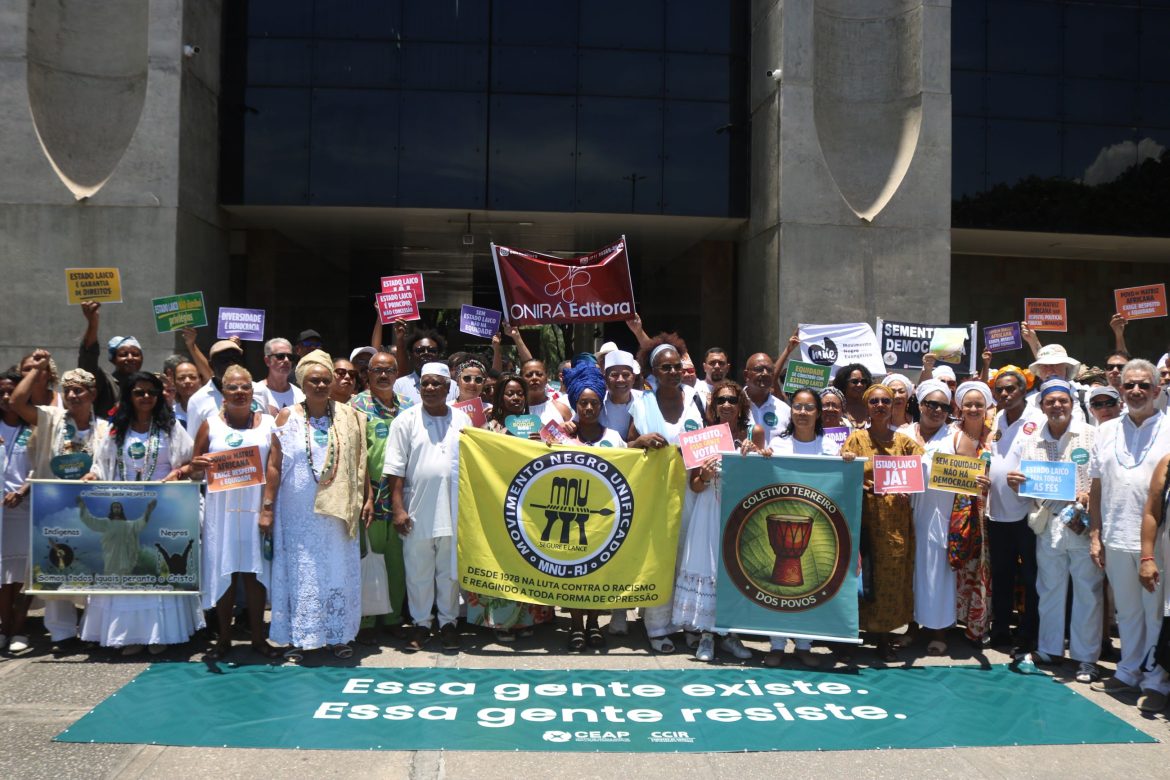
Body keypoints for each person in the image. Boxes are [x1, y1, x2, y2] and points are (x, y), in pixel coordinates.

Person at [82, 371, 202, 656]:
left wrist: (180, 472)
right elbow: (101, 464)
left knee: (155, 569)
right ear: (129, 396)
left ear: (159, 395)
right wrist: (92, 475)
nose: (146, 397)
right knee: (126, 569)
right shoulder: (117, 430)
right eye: (139, 392)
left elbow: (191, 463)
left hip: (161, 511)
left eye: (151, 392)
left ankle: (160, 633)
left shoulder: (171, 428)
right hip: (123, 512)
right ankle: (129, 635)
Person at [265, 349, 369, 662]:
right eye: (314, 381)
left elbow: (359, 462)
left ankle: (337, 635)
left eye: (326, 379)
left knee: (337, 569)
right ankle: (301, 637)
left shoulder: (349, 416)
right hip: (297, 513)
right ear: (303, 383)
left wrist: (366, 500)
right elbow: (274, 464)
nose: (321, 385)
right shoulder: (288, 416)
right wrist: (268, 504)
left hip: (338, 512)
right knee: (301, 571)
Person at [10, 358, 111, 648]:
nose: (72, 396)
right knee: (56, 565)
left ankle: (92, 630)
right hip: (54, 509)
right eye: (68, 391)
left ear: (92, 394)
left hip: (92, 508)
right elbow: (18, 401)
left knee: (92, 566)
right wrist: (36, 371)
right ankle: (62, 633)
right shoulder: (52, 419)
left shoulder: (105, 427)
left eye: (79, 390)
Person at [1006, 378, 1102, 683]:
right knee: (1049, 589)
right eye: (1050, 401)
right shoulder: (1032, 440)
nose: (1057, 406)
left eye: (1062, 400)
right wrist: (1016, 481)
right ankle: (1049, 649)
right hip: (1048, 525)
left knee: (1087, 592)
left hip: (1082, 524)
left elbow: (1100, 478)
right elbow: (1027, 482)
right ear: (1042, 406)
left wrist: (1088, 495)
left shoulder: (1090, 435)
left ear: (1072, 403)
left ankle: (1086, 658)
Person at [1089, 359, 1170, 711]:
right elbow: (1096, 487)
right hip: (1116, 533)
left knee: (1156, 611)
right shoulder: (1106, 431)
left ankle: (1157, 679)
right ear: (1120, 390)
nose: (1136, 390)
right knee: (1128, 611)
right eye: (1129, 385)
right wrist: (1096, 534)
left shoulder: (1169, 429)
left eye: (1143, 385)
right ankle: (1128, 670)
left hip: (1160, 541)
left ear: (1156, 390)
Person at [188, 365, 280, 660]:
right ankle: (224, 639)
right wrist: (195, 469)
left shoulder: (268, 424)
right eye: (232, 388)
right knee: (225, 572)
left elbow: (273, 468)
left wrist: (267, 509)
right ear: (223, 394)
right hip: (222, 512)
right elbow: (193, 469)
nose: (239, 393)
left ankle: (258, 638)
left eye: (245, 388)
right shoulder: (210, 425)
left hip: (255, 509)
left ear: (252, 392)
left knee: (254, 574)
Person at [673, 379, 762, 662]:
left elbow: (765, 475)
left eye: (732, 401)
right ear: (713, 405)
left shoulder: (754, 432)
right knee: (709, 569)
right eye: (720, 400)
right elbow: (695, 486)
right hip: (709, 509)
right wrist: (706, 476)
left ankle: (730, 634)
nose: (726, 405)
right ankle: (707, 636)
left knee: (734, 571)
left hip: (741, 511)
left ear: (741, 405)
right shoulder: (704, 436)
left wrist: (757, 455)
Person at [384, 362, 470, 652]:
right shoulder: (405, 420)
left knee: (449, 571)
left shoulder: (462, 420)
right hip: (416, 508)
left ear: (448, 388)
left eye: (437, 383)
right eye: (425, 383)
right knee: (418, 570)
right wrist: (398, 509)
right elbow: (394, 469)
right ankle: (422, 624)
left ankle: (448, 624)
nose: (430, 388)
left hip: (454, 508)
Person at [627, 337, 705, 653]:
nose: (673, 372)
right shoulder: (641, 404)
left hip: (692, 490)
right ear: (654, 372)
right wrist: (640, 441)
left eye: (677, 366)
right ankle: (658, 625)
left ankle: (688, 622)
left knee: (689, 556)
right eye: (666, 367)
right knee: (660, 558)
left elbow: (712, 439)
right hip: (656, 493)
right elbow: (627, 446)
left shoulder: (698, 400)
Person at [762, 386, 845, 668]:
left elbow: (841, 488)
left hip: (816, 526)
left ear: (819, 413)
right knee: (780, 590)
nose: (803, 413)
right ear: (791, 411)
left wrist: (847, 463)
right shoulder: (778, 444)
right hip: (783, 517)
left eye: (809, 408)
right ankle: (775, 644)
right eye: (797, 407)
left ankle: (805, 643)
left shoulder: (831, 447)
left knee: (810, 584)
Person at [841, 384, 924, 660]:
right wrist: (850, 465)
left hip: (893, 520)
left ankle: (885, 636)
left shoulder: (905, 442)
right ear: (867, 406)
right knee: (861, 576)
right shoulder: (854, 439)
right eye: (874, 401)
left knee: (890, 576)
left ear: (892, 406)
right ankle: (855, 633)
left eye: (885, 401)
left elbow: (921, 471)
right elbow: (842, 473)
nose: (879, 405)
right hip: (862, 517)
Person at [349, 351, 408, 639]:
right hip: (370, 494)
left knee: (397, 560)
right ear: (367, 375)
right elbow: (357, 454)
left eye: (389, 370)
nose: (383, 375)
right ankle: (367, 621)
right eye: (377, 370)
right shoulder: (354, 406)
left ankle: (393, 617)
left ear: (397, 373)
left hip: (401, 496)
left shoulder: (409, 406)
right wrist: (366, 495)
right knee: (370, 556)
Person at [986, 365, 1044, 651]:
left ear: (1024, 390)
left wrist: (1027, 480)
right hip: (997, 512)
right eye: (1000, 389)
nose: (1005, 393)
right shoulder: (997, 418)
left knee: (1032, 577)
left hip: (1027, 513)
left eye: (1011, 388)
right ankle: (999, 631)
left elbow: (1048, 465)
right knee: (1002, 574)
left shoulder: (1039, 419)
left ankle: (1028, 632)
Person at [907, 380, 960, 654]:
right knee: (911, 572)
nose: (937, 410)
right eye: (931, 404)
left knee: (936, 574)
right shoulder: (903, 433)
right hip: (907, 513)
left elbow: (970, 473)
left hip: (939, 512)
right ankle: (911, 627)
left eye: (943, 406)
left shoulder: (954, 437)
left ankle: (937, 630)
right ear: (920, 404)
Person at [0, 370, 32, 652]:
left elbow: (39, 468)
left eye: (12, 391)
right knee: (2, 576)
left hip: (25, 509)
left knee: (22, 574)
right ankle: (4, 627)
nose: (7, 397)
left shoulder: (32, 429)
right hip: (0, 514)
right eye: (2, 392)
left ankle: (19, 629)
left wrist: (22, 491)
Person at [77, 301, 144, 418]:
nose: (130, 358)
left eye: (135, 354)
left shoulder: (147, 385)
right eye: (124, 354)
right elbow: (88, 359)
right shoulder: (106, 383)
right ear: (113, 359)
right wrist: (93, 323)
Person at [185, 340, 248, 439]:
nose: (231, 364)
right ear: (211, 365)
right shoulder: (197, 400)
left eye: (235, 359)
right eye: (224, 360)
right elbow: (193, 443)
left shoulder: (259, 391)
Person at [393, 329, 458, 407]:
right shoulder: (399, 385)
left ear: (439, 354)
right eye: (419, 350)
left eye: (431, 350)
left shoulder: (453, 386)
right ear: (411, 355)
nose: (426, 354)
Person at [742, 353, 791, 446]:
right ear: (746, 375)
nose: (765, 373)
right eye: (759, 369)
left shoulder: (785, 410)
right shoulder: (731, 406)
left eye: (769, 370)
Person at [256, 337, 305, 414]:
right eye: (280, 356)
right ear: (267, 361)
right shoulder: (255, 391)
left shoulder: (300, 394)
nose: (286, 360)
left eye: (290, 357)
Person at [521, 360, 571, 424]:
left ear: (547, 378)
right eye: (529, 375)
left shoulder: (562, 409)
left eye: (539, 374)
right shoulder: (515, 411)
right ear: (521, 378)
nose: (534, 378)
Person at [832, 363, 873, 428]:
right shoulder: (834, 408)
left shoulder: (872, 407)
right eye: (854, 381)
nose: (860, 385)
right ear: (843, 383)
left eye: (863, 381)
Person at [170, 359, 202, 428]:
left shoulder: (210, 410)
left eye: (192, 377)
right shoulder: (170, 414)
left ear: (200, 381)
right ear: (174, 383)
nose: (187, 381)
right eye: (181, 378)